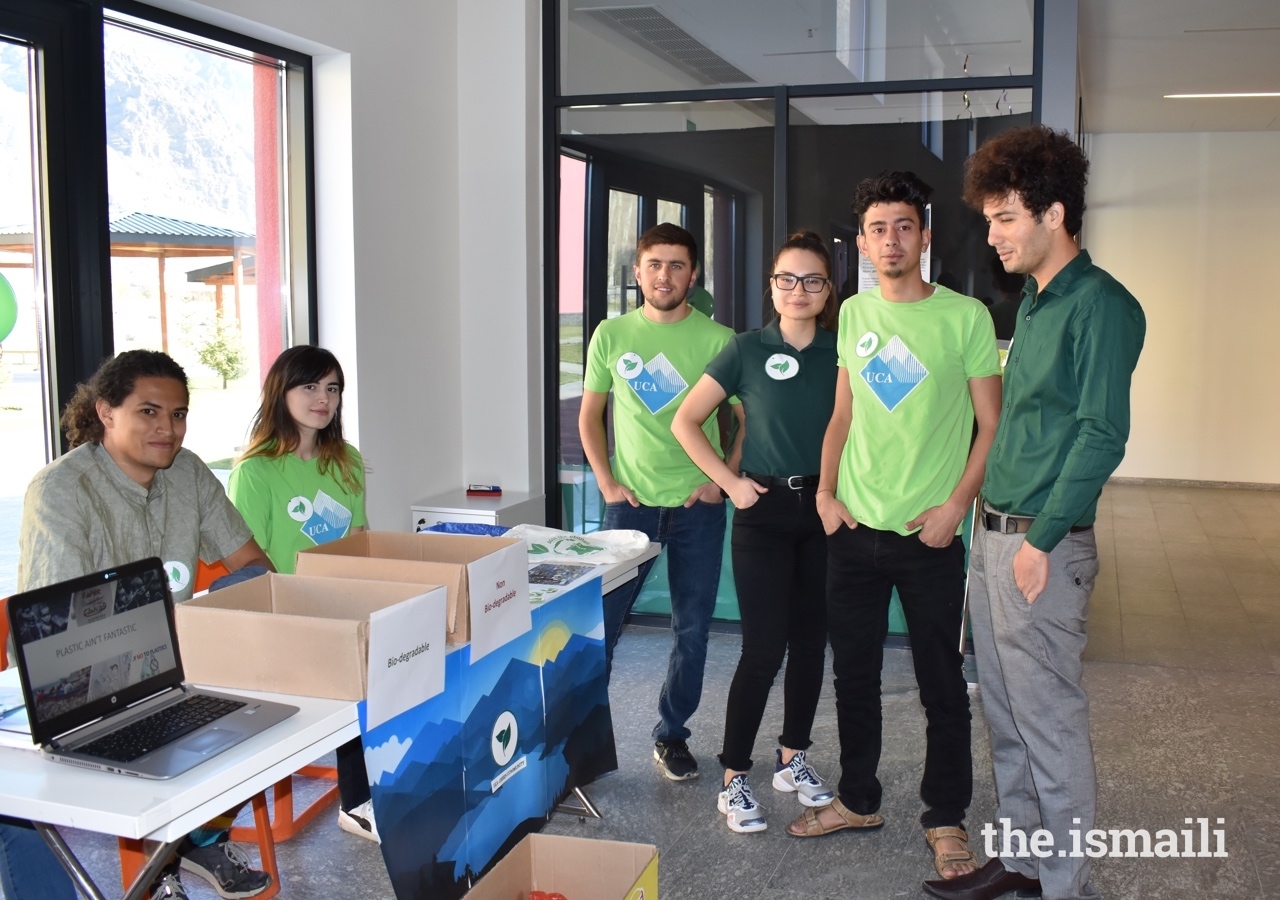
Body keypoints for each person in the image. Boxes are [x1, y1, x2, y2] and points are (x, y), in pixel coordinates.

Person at [925, 126, 1145, 900]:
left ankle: (1065, 885)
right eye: (989, 219)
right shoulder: (1039, 302)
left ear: (1054, 213)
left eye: (1006, 217)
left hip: (1038, 547)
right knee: (1010, 716)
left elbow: (1100, 435)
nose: (993, 235)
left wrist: (1042, 540)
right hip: (995, 536)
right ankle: (1021, 864)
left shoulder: (1102, 306)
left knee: (1047, 723)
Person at [788, 173, 1001, 885]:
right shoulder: (851, 314)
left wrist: (955, 510)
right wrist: (824, 493)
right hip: (853, 528)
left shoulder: (964, 317)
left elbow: (991, 427)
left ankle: (945, 816)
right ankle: (858, 797)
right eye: (878, 229)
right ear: (863, 241)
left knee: (943, 684)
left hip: (929, 536)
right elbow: (843, 415)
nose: (890, 240)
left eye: (903, 226)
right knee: (854, 677)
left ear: (926, 235)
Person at [12, 349, 275, 900]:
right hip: (84, 681)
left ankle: (195, 840)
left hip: (177, 666)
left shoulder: (190, 473)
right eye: (149, 412)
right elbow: (55, 630)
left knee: (258, 713)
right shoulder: (61, 489)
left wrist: (215, 620)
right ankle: (159, 866)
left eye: (178, 414)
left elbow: (256, 570)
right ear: (106, 412)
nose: (168, 429)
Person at [672, 232, 838, 833]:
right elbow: (686, 421)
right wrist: (730, 481)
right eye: (787, 279)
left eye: (812, 280)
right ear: (771, 286)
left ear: (828, 291)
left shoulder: (842, 354)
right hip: (762, 513)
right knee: (764, 648)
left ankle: (793, 759)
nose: (798, 291)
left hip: (822, 510)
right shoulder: (744, 349)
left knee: (811, 641)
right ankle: (733, 778)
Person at [579, 222, 739, 781]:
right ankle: (581, 742)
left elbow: (746, 417)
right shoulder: (611, 335)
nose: (664, 275)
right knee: (600, 626)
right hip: (631, 506)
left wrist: (722, 478)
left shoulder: (719, 341)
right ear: (638, 272)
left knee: (691, 630)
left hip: (698, 507)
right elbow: (590, 415)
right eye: (654, 264)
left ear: (693, 275)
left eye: (676, 265)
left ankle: (671, 735)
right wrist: (606, 481)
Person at [227, 345, 378, 842]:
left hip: (344, 603)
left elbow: (360, 541)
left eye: (333, 388)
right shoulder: (255, 472)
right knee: (362, 675)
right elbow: (251, 568)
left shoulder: (347, 460)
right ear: (281, 392)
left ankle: (373, 793)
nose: (324, 399)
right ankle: (357, 804)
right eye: (310, 386)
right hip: (287, 616)